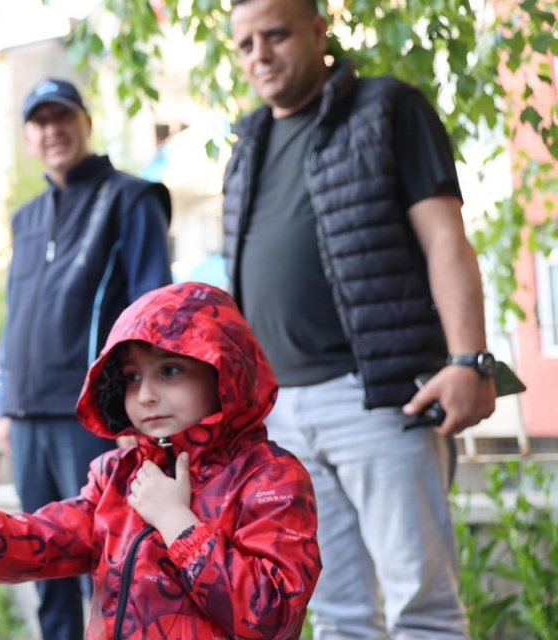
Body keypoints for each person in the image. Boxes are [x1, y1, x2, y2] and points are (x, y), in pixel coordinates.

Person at [222, 0, 497, 636]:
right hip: (281, 410)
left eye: (276, 35)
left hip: (378, 398)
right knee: (335, 609)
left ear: (320, 32)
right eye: (245, 44)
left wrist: (468, 360)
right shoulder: (247, 144)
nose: (259, 55)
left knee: (420, 603)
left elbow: (445, 240)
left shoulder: (388, 109)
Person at [0, 282, 321, 639]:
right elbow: (45, 539)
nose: (145, 394)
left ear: (224, 371)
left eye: (170, 370)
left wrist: (177, 523)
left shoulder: (269, 480)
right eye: (132, 377)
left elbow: (272, 616)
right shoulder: (119, 475)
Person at [0, 77, 173, 639]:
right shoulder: (24, 220)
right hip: (27, 419)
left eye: (62, 118)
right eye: (41, 122)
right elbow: (14, 315)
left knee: (109, 566)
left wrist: (133, 413)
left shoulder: (131, 199)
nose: (53, 131)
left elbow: (152, 311)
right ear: (28, 137)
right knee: (42, 564)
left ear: (86, 123)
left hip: (91, 420)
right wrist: (4, 407)